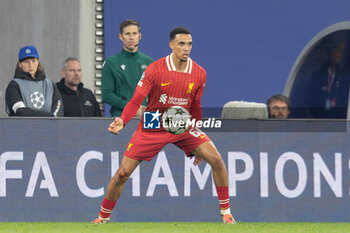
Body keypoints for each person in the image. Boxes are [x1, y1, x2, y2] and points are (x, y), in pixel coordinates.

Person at [91, 27, 236, 224]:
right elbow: (135, 100)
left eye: (189, 44)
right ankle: (103, 217)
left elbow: (196, 106)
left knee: (216, 160)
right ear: (171, 45)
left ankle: (226, 213)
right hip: (153, 122)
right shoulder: (155, 69)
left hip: (182, 124)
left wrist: (196, 136)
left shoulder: (199, 73)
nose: (186, 48)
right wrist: (123, 121)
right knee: (122, 174)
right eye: (181, 44)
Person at [102, 19, 154, 117]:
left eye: (134, 33)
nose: (131, 37)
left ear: (140, 36)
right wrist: (131, 108)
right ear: (120, 37)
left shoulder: (150, 63)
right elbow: (107, 95)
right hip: (122, 118)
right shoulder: (111, 63)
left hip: (148, 118)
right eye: (127, 34)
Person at [5, 45, 63, 117]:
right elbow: (20, 111)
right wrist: (48, 116)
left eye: (33, 61)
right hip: (23, 127)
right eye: (26, 62)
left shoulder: (49, 84)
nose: (31, 65)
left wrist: (51, 119)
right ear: (20, 64)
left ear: (38, 62)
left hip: (48, 128)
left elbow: (58, 109)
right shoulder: (14, 85)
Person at [305, 40, 348, 118]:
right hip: (319, 121)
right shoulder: (316, 77)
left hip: (340, 123)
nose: (342, 55)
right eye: (340, 51)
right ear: (333, 53)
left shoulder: (346, 78)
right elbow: (309, 102)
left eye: (344, 52)